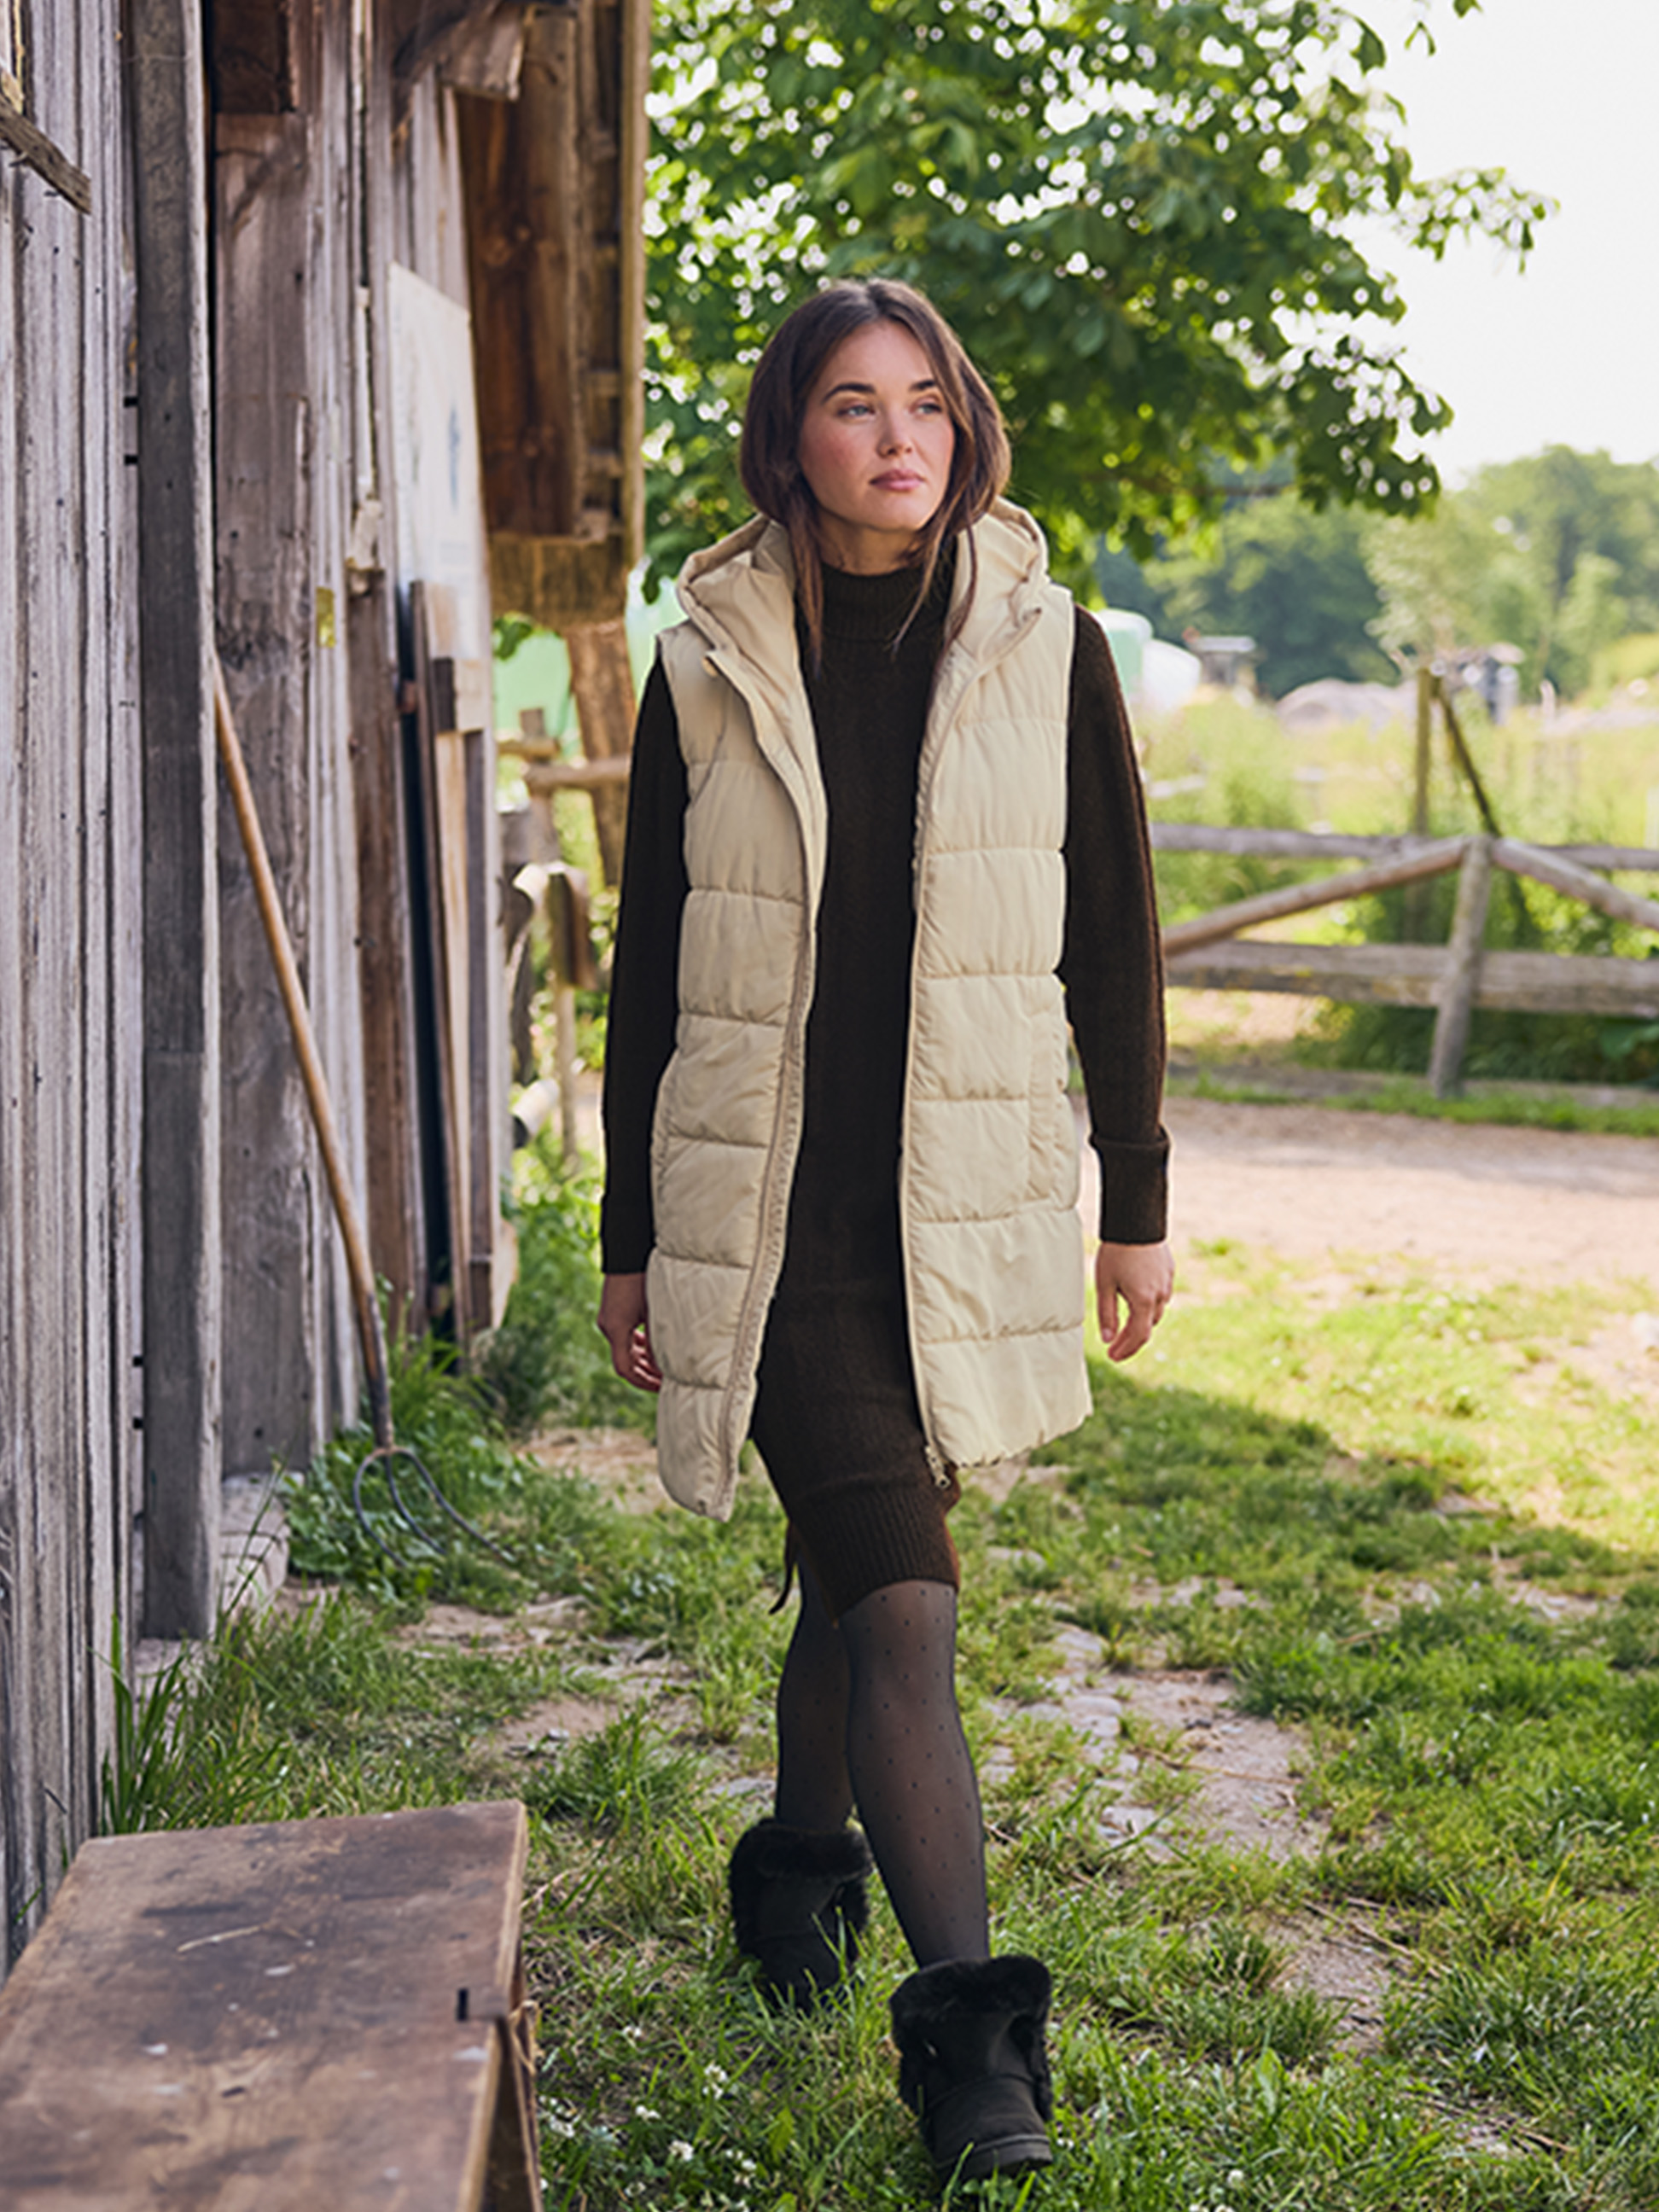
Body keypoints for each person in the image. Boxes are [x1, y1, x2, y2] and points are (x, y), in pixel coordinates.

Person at [597, 277, 1173, 2181]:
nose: (898, 436)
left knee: (858, 1577)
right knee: (909, 1598)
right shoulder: (703, 658)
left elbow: (1117, 945)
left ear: (965, 424)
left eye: (925, 400)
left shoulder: (1047, 643)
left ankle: (793, 1885)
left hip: (952, 1212)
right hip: (768, 1220)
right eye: (854, 405)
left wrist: (1138, 1204)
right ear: (793, 436)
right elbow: (653, 974)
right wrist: (623, 1238)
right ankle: (976, 2061)